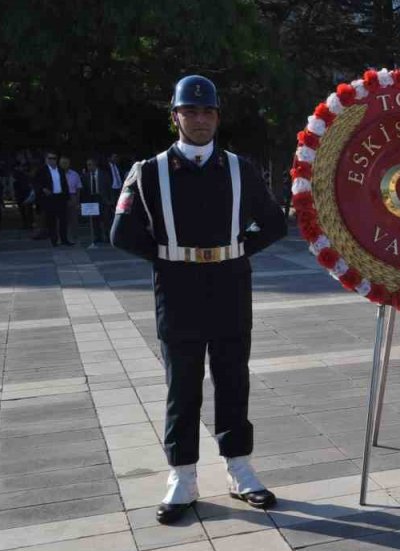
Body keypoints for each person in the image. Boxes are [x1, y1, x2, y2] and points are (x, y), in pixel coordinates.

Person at [111, 74, 287, 524]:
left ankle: (239, 468)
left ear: (217, 116)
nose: (200, 119)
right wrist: (168, 259)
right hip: (179, 290)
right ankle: (183, 477)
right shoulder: (148, 172)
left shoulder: (239, 168)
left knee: (233, 378)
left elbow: (273, 222)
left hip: (230, 285)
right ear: (175, 117)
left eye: (207, 111)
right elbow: (122, 233)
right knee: (182, 386)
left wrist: (237, 248)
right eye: (190, 111)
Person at [33, 151, 71, 246]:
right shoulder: (42, 170)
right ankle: (54, 240)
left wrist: (67, 197)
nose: (52, 160)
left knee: (63, 219)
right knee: (51, 220)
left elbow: (65, 184)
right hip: (50, 198)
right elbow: (35, 182)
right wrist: (42, 189)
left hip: (60, 197)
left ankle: (64, 239)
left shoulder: (60, 170)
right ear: (46, 160)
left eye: (54, 158)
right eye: (50, 158)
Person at [80, 157, 111, 248]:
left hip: (102, 198)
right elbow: (84, 190)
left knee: (105, 218)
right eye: (87, 165)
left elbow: (109, 187)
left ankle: (108, 236)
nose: (88, 167)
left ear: (95, 165)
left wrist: (110, 200)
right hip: (91, 198)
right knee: (94, 219)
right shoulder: (85, 176)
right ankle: (98, 236)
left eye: (90, 165)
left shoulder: (104, 175)